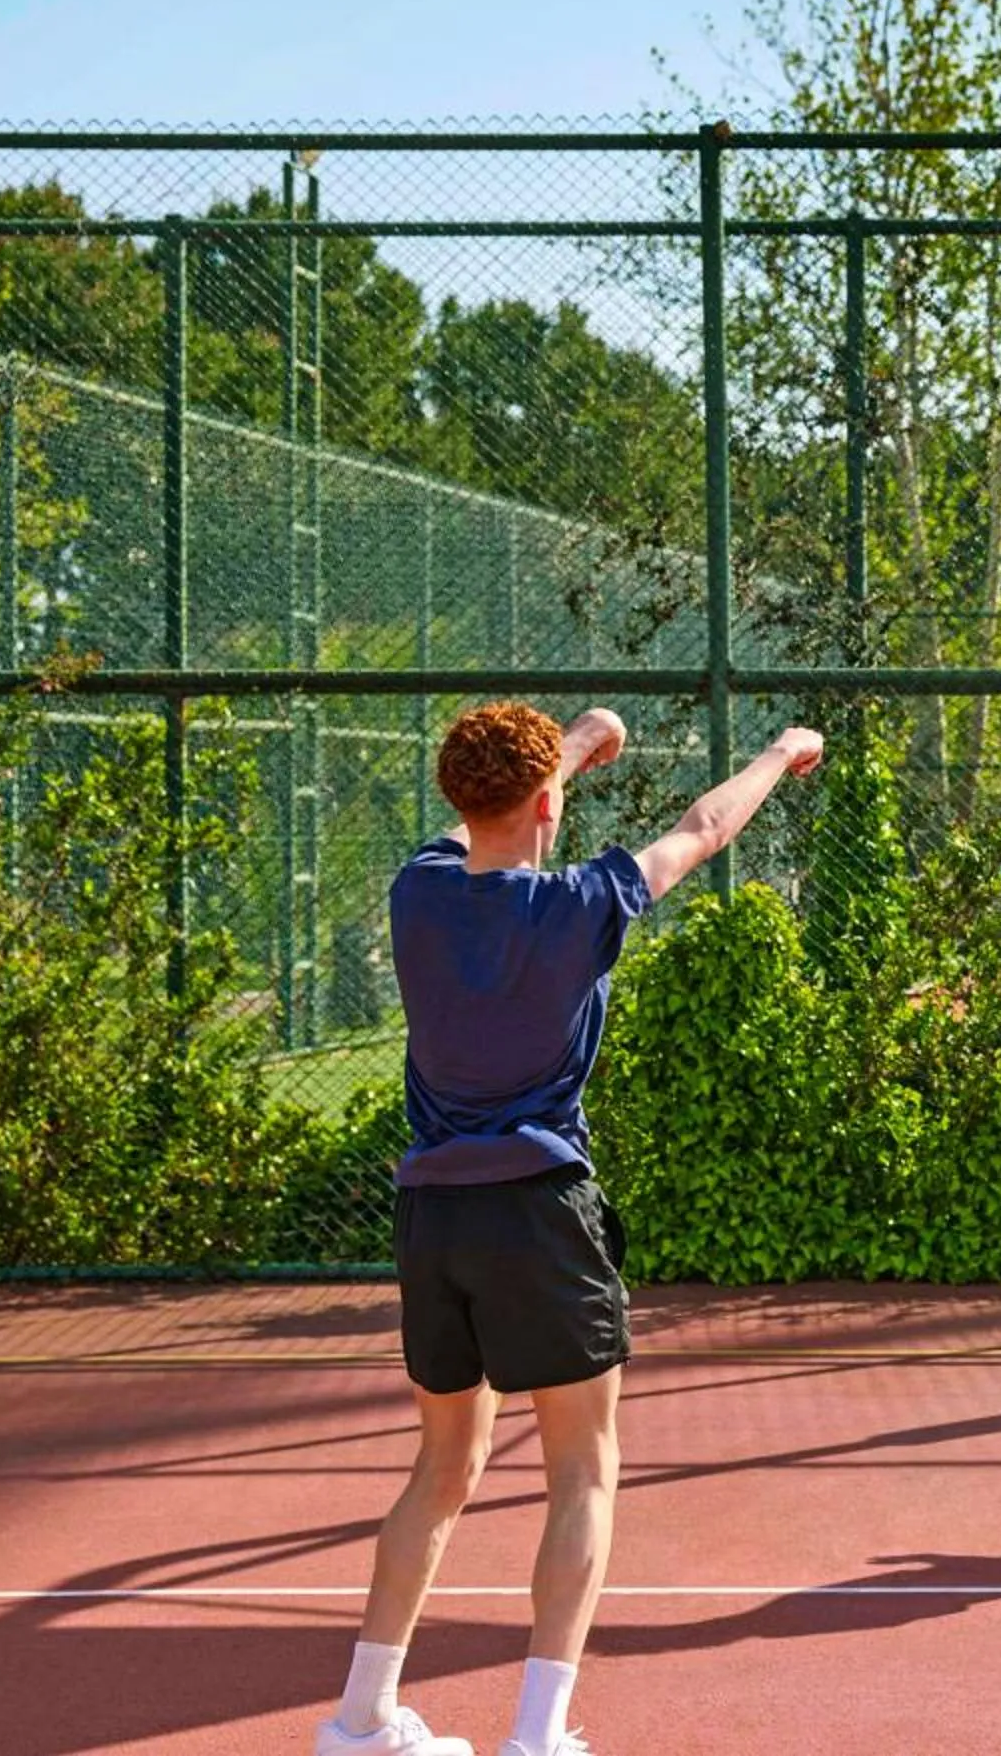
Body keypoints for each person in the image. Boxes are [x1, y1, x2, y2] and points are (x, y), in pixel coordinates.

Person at [313, 703, 824, 1756]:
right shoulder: (581, 903)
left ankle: (360, 1718)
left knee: (443, 1466)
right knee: (584, 1468)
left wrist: (579, 746)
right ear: (548, 800)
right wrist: (780, 751)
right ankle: (538, 1736)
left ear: (462, 796)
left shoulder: (417, 890)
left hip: (433, 1215)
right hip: (540, 1210)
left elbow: (476, 828)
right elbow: (703, 827)